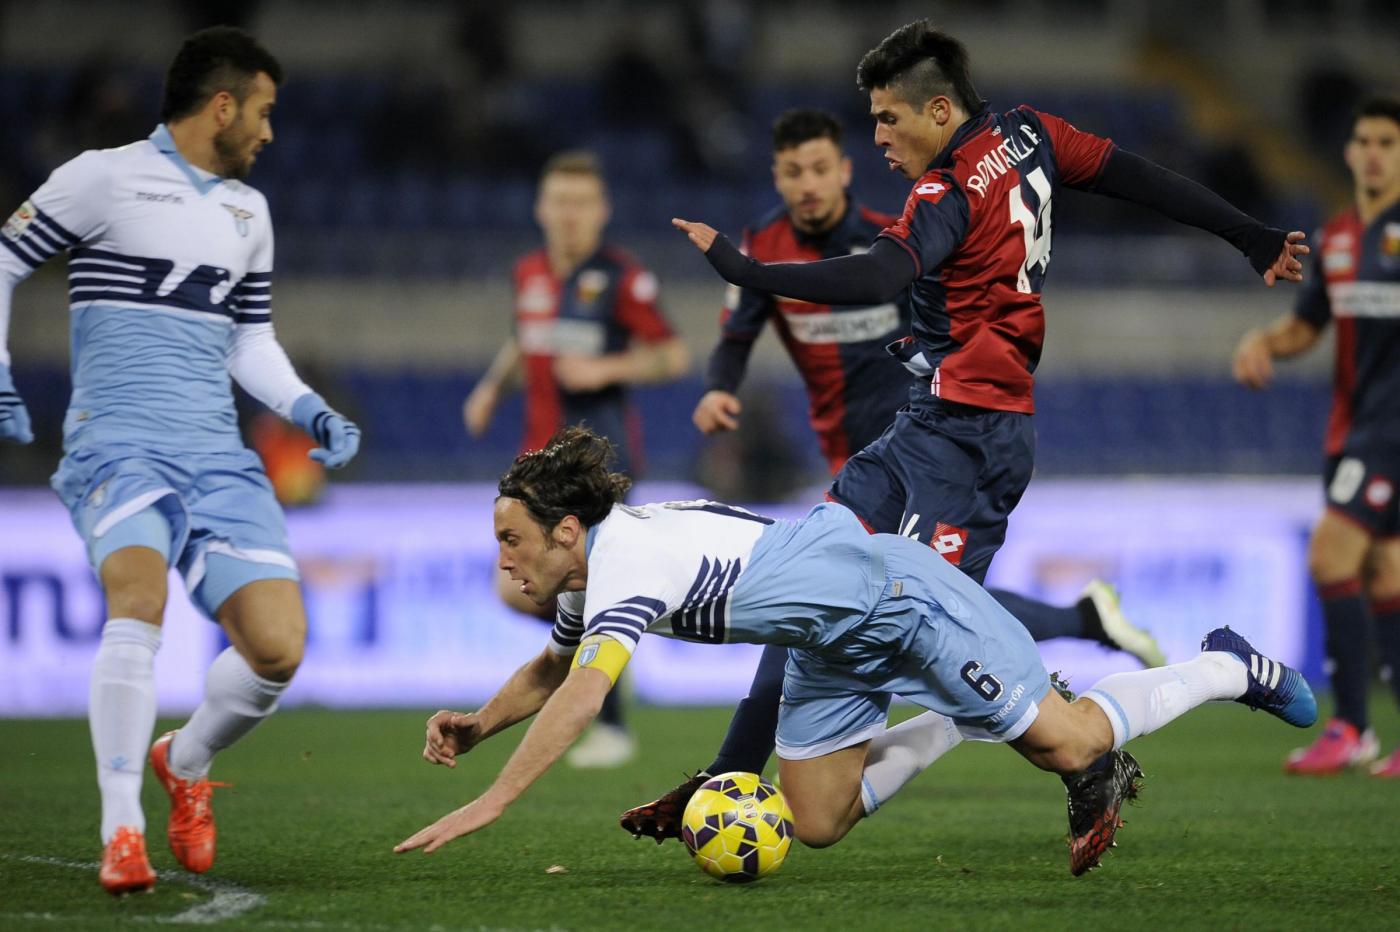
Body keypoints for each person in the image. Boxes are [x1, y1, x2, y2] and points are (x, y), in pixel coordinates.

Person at [647, 20, 1310, 874]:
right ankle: (728, 771)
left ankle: (1216, 673)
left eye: (888, 119)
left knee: (1001, 701)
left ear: (936, 108)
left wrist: (748, 271)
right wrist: (1249, 235)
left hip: (975, 444)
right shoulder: (1032, 133)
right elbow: (1136, 177)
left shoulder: (947, 190)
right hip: (923, 428)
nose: (879, 136)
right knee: (809, 588)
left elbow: (881, 274)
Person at [392, 426, 1317, 869]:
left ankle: (1234, 664)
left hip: (896, 601)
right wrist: (480, 724)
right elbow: (553, 670)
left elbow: (585, 696)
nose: (502, 560)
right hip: (829, 641)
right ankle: (965, 720)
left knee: (1075, 745)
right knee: (820, 819)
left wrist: (494, 800)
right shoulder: (594, 571)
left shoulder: (627, 560)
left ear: (563, 531)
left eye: (511, 539)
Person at [662, 105, 1167, 842]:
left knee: (882, 617)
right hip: (867, 464)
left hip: (927, 444)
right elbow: (739, 331)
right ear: (776, 176)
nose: (806, 184)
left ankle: (721, 781)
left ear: (842, 169)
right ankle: (1083, 624)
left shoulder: (896, 234)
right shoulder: (765, 245)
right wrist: (718, 386)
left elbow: (946, 313)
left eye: (818, 168)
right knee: (919, 612)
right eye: (790, 171)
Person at [0, 27, 360, 895]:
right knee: (140, 599)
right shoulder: (103, 176)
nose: (270, 134)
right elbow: (3, 262)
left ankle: (184, 760)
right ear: (223, 105)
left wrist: (307, 407)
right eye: (264, 112)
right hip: (116, 441)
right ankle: (120, 828)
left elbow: (250, 340)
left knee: (278, 651)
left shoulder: (249, 214)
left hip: (216, 453)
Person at [462, 150, 690, 768]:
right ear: (541, 208)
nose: (569, 215)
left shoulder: (620, 277)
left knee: (557, 591)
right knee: (537, 593)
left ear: (601, 211)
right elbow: (523, 339)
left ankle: (608, 713)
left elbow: (672, 355)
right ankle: (609, 669)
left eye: (581, 203)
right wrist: (490, 387)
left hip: (595, 465)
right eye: (559, 201)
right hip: (537, 468)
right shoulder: (529, 272)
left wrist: (605, 366)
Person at [1232, 96, 1400, 779]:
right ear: (1348, 151)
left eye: (1387, 141)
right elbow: (1309, 326)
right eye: (1363, 139)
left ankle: (1352, 726)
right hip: (1352, 427)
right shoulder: (1336, 238)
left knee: (1330, 556)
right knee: (1385, 572)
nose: (1373, 152)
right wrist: (1265, 341)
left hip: (1390, 432)